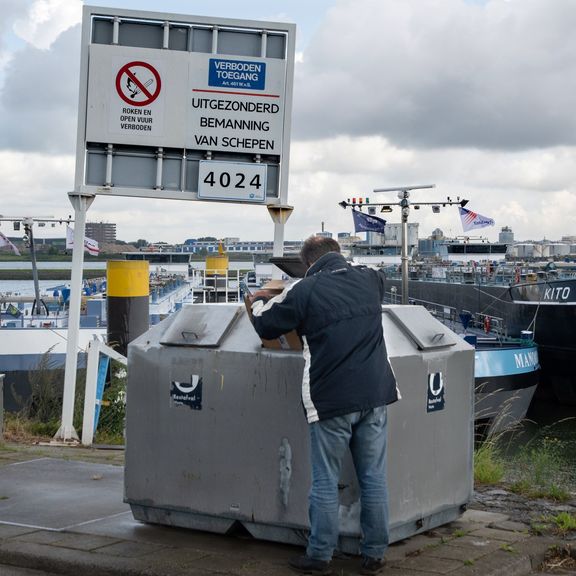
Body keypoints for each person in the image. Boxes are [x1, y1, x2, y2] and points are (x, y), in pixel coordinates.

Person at [250, 236, 398, 576]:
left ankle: (319, 555)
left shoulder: (305, 290)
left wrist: (258, 301)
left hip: (331, 399)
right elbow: (377, 282)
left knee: (325, 480)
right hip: (375, 393)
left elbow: (266, 324)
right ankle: (374, 554)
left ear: (307, 263)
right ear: (338, 255)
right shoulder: (370, 279)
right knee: (373, 477)